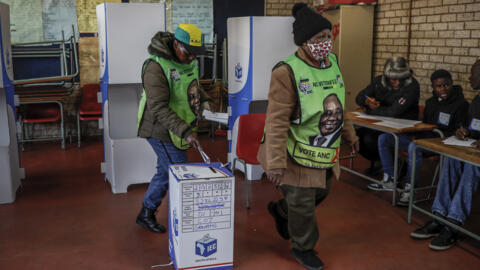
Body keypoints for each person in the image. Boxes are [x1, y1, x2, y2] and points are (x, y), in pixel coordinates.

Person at [257, 3, 359, 270]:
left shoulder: (333, 62)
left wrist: (350, 133)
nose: (325, 43)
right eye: (318, 39)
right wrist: (276, 162)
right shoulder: (286, 71)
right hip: (294, 152)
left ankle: (281, 211)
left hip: (324, 150)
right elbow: (276, 120)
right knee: (302, 204)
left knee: (321, 191)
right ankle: (303, 248)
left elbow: (340, 102)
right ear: (304, 42)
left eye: (328, 36)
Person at [136, 24, 211, 233]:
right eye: (188, 53)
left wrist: (204, 101)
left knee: (165, 171)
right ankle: (183, 221)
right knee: (178, 171)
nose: (191, 59)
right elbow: (158, 107)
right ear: (176, 44)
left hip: (177, 126)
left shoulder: (188, 60)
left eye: (195, 55)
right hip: (159, 128)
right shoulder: (155, 66)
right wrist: (186, 132)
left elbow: (194, 85)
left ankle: (146, 212)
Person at [370, 69, 469, 207]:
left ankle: (410, 188)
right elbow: (425, 124)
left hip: (442, 143)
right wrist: (416, 133)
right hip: (424, 140)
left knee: (414, 147)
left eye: (446, 85)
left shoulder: (461, 104)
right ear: (433, 87)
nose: (443, 89)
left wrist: (427, 136)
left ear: (452, 84)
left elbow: (459, 130)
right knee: (385, 138)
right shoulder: (430, 102)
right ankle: (390, 179)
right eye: (438, 86)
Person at [410, 60, 480, 251]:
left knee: (471, 167)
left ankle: (453, 223)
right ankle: (439, 216)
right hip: (473, 149)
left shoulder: (465, 102)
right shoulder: (477, 101)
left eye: (473, 74)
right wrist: (462, 131)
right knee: (451, 158)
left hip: (477, 159)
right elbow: (472, 127)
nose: (469, 78)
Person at [355, 57, 420, 176]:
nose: (397, 83)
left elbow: (393, 112)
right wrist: (366, 102)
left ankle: (397, 165)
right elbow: (359, 97)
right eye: (393, 79)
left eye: (401, 79)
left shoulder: (412, 86)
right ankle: (380, 162)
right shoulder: (378, 81)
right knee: (357, 137)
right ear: (386, 76)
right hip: (381, 124)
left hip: (402, 127)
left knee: (370, 139)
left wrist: (369, 110)